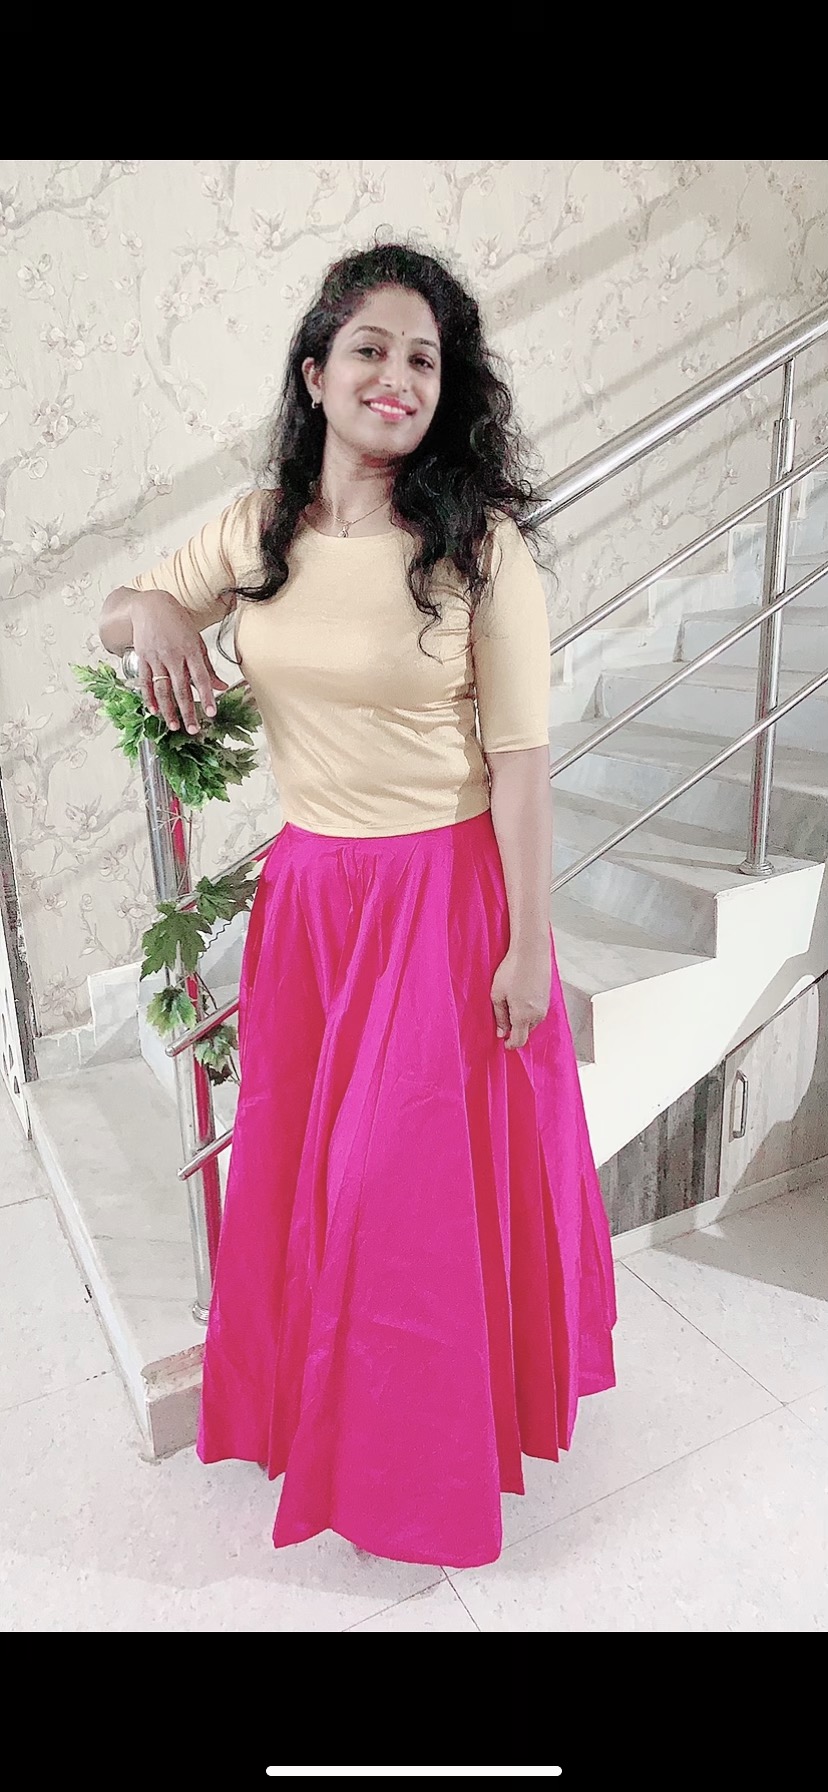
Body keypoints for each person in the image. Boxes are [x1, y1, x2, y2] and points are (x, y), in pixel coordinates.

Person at [99, 241, 617, 1570]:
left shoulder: (480, 550)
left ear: (448, 388)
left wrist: (528, 943)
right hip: (314, 897)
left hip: (442, 900)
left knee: (400, 1193)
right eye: (372, 349)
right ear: (316, 372)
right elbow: (121, 613)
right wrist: (149, 613)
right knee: (313, 1181)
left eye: (425, 359)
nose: (398, 377)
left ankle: (417, 1480)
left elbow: (521, 765)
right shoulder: (260, 529)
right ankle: (338, 1432)